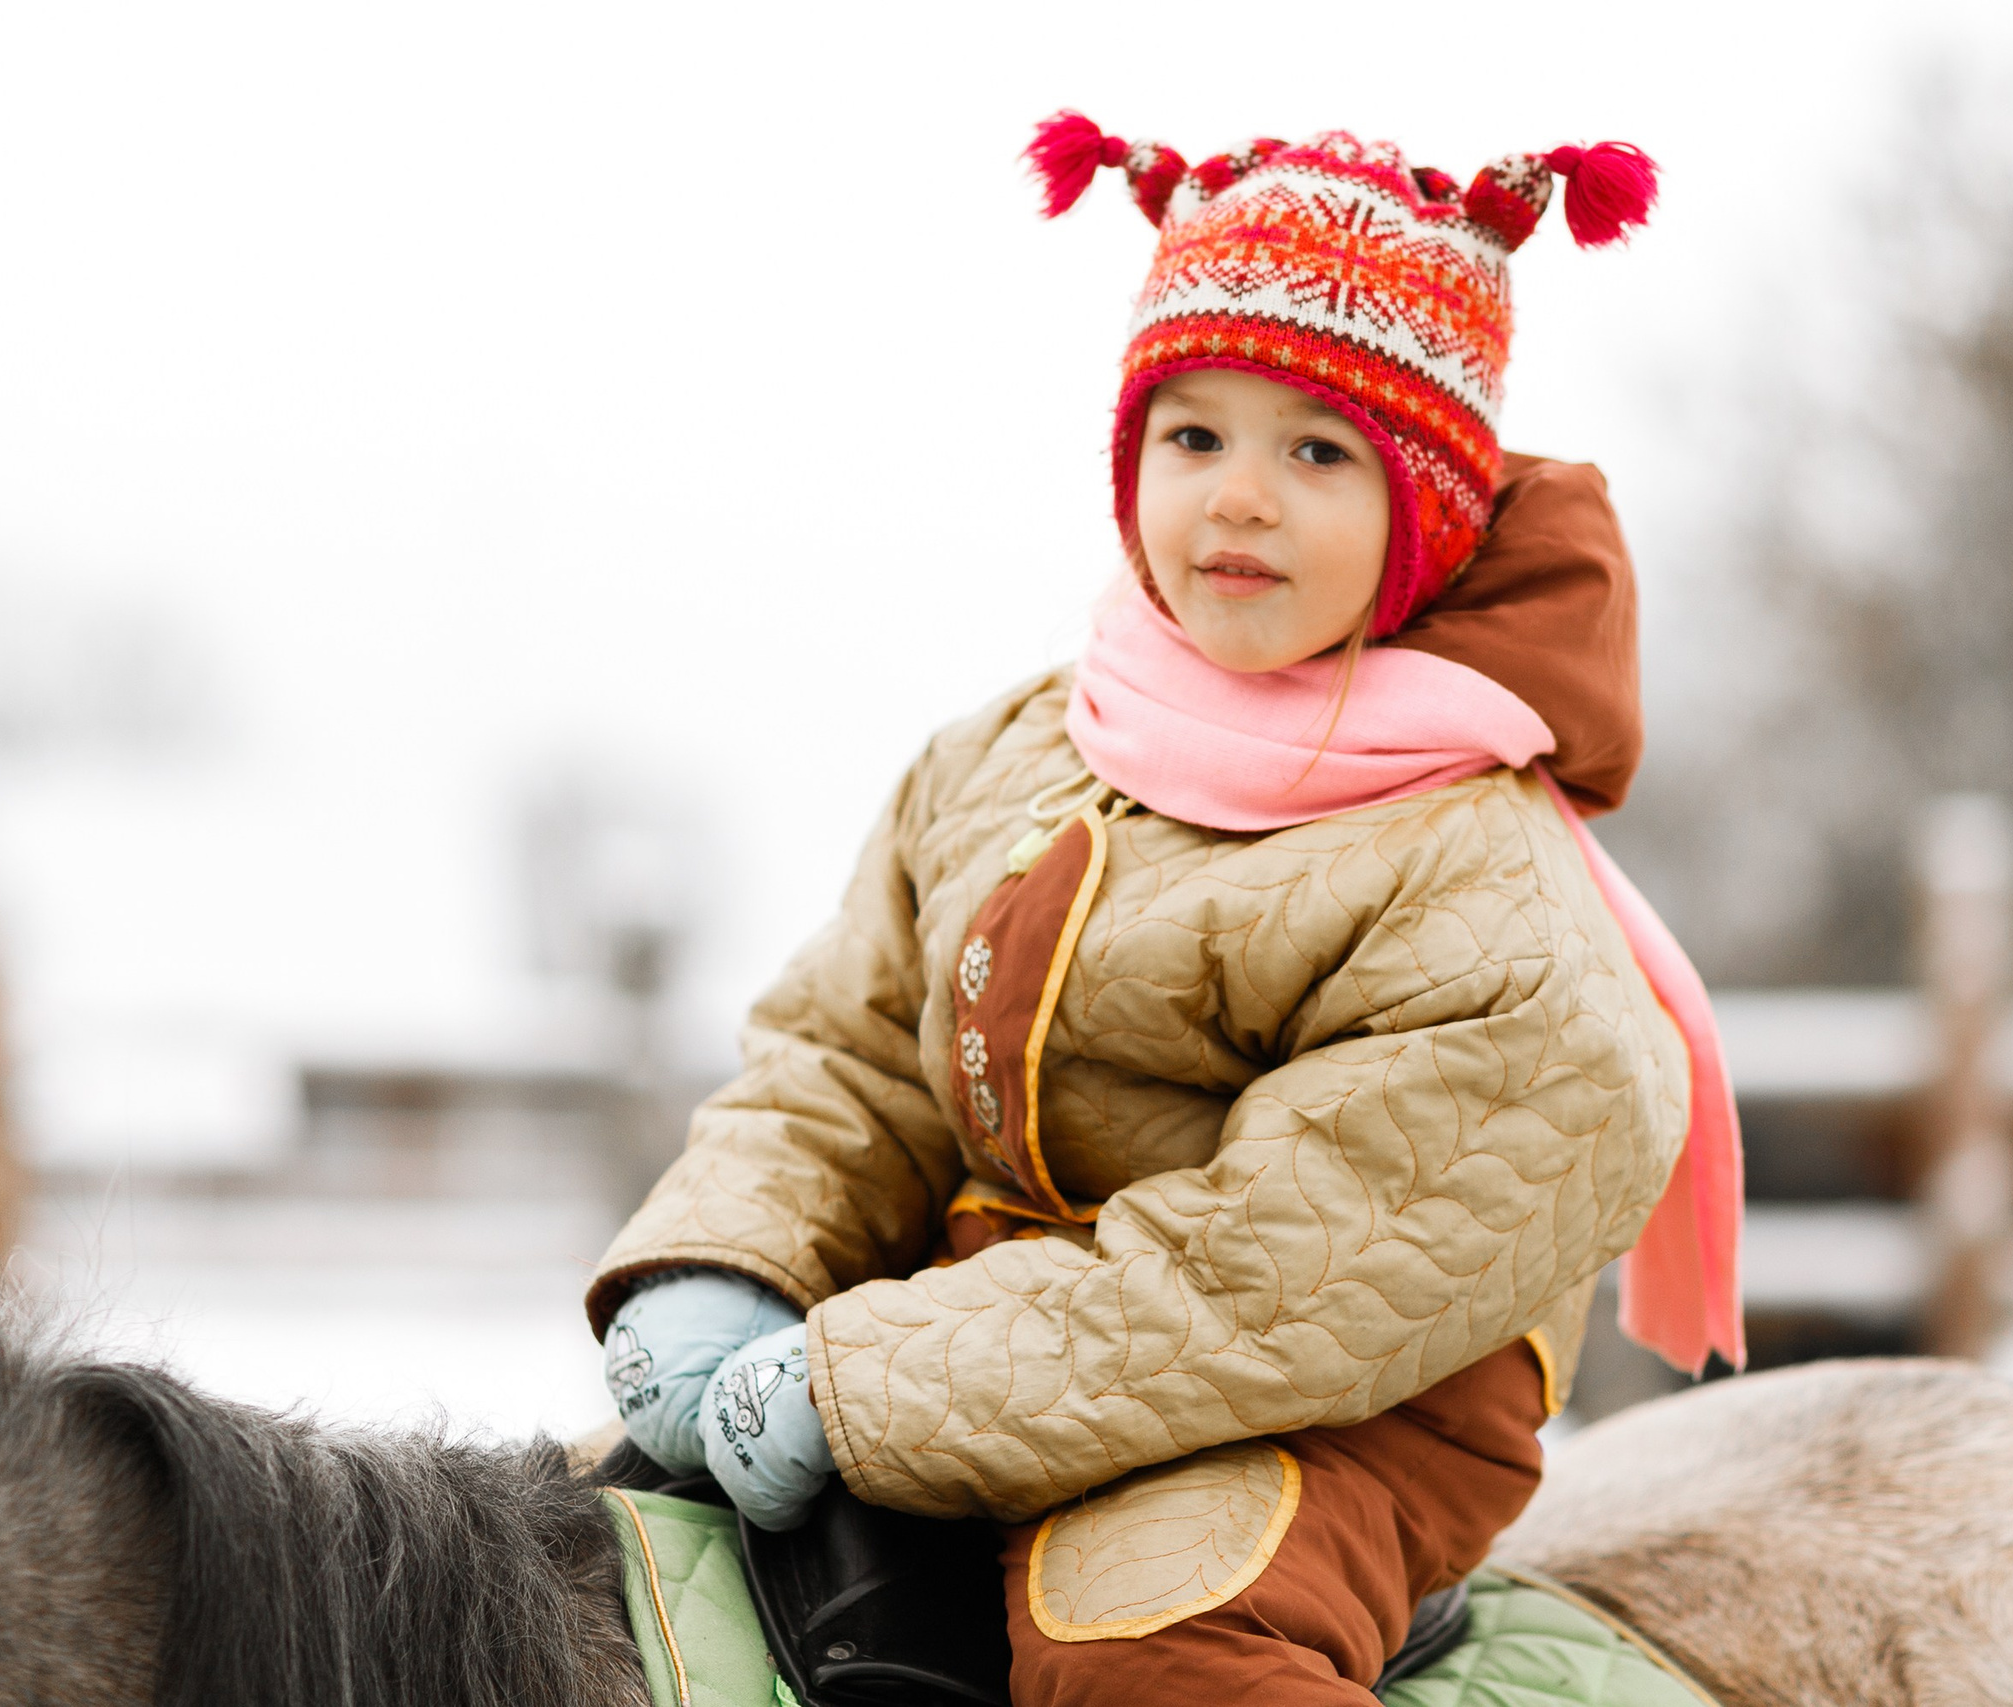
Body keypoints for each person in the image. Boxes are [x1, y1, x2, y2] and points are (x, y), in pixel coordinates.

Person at [588, 116, 1745, 1707]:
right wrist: (730, 1271)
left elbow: (1268, 1285)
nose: (1239, 500)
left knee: (1153, 1647)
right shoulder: (1010, 756)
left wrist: (861, 1382)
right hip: (975, 1339)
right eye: (1191, 437)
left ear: (1428, 511)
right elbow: (848, 1060)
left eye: (1317, 451)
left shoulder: (1480, 891)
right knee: (583, 1563)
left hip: (1330, 1399)